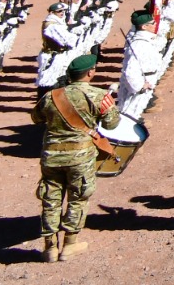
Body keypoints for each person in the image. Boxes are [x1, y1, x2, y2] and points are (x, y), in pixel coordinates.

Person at [33, 54, 120, 262]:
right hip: (80, 156)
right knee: (78, 197)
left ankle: (50, 247)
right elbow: (111, 124)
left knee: (50, 199)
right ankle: (70, 244)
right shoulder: (99, 96)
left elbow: (36, 117)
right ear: (90, 73)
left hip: (51, 156)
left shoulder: (51, 96)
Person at [118, 10, 162, 119]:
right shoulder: (139, 45)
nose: (155, 24)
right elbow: (130, 71)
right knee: (129, 112)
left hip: (147, 81)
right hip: (140, 83)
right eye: (153, 23)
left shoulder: (146, 40)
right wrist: (140, 87)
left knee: (136, 111)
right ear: (144, 27)